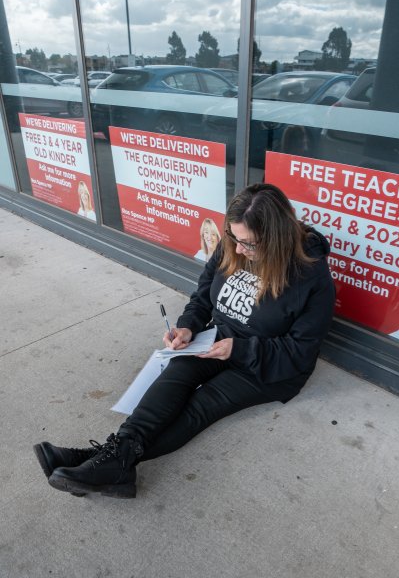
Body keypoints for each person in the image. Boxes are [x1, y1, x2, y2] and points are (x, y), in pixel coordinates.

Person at [33, 183, 336, 499]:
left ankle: (93, 460)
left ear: (275, 238)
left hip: (266, 366)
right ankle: (112, 461)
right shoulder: (232, 245)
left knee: (201, 406)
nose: (240, 249)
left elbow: (301, 353)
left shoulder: (311, 277)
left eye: (249, 243)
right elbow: (204, 293)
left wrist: (240, 348)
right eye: (234, 238)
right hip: (217, 339)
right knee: (176, 374)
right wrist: (189, 327)